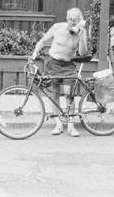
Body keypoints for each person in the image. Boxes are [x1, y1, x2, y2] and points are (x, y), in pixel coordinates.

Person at [30, 7, 88, 137]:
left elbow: (83, 52)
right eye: (70, 19)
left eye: (75, 20)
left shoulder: (82, 32)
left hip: (68, 65)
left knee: (69, 95)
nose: (71, 22)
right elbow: (44, 41)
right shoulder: (57, 27)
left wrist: (81, 36)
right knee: (53, 95)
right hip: (53, 63)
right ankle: (58, 124)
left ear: (80, 21)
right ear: (66, 19)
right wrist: (34, 53)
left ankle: (71, 125)